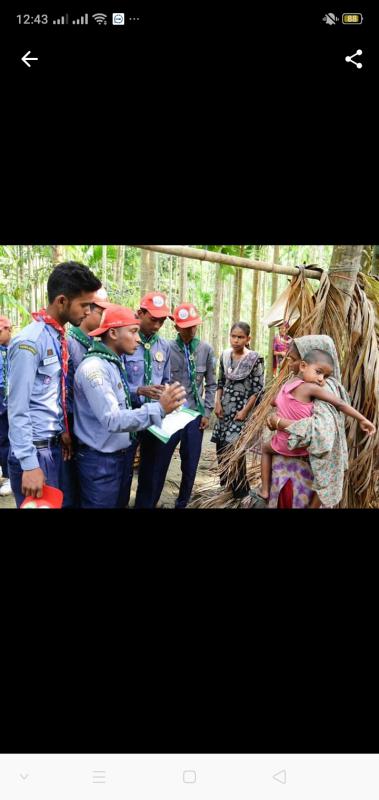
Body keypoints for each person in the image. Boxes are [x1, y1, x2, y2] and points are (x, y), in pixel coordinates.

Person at [7, 261, 102, 507]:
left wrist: (62, 431)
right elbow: (18, 408)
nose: (88, 311)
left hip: (53, 449)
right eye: (84, 305)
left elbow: (48, 395)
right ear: (62, 301)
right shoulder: (30, 342)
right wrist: (29, 464)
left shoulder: (57, 336)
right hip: (35, 453)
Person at [73, 304, 186, 508]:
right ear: (114, 333)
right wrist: (158, 409)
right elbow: (112, 418)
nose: (138, 338)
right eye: (133, 332)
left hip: (116, 458)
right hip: (100, 462)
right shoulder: (95, 368)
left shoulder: (112, 364)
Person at [260, 346, 376, 505]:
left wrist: (279, 414)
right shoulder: (311, 388)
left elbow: (275, 401)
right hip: (304, 448)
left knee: (265, 449)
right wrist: (362, 419)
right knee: (326, 472)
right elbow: (340, 403)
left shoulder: (286, 386)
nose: (322, 379)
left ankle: (265, 488)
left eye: (326, 376)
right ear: (303, 366)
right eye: (319, 372)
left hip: (282, 445)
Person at [152, 302, 217, 509]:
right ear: (176, 327)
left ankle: (182, 503)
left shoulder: (205, 349)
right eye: (186, 326)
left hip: (194, 415)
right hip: (171, 413)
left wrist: (207, 412)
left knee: (190, 463)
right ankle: (152, 500)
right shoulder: (166, 348)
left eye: (194, 325)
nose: (190, 330)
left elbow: (211, 382)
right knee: (160, 461)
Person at [123, 291, 172, 508]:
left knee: (151, 471)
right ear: (140, 313)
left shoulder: (164, 347)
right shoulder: (124, 342)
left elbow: (167, 378)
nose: (158, 325)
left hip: (155, 419)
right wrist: (139, 390)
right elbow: (116, 384)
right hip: (129, 417)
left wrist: (167, 394)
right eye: (153, 319)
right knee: (124, 470)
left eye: (162, 320)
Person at [212, 322, 264, 500]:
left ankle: (241, 492)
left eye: (240, 337)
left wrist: (244, 412)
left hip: (242, 411)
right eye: (233, 336)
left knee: (235, 449)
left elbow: (257, 390)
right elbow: (220, 383)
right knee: (221, 448)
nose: (236, 340)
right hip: (225, 409)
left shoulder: (255, 359)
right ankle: (227, 488)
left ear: (248, 339)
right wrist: (217, 403)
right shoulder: (225, 356)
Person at [0, 316, 13, 497]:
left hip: (13, 400)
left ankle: (11, 476)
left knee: (11, 438)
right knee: (2, 438)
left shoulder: (18, 347)